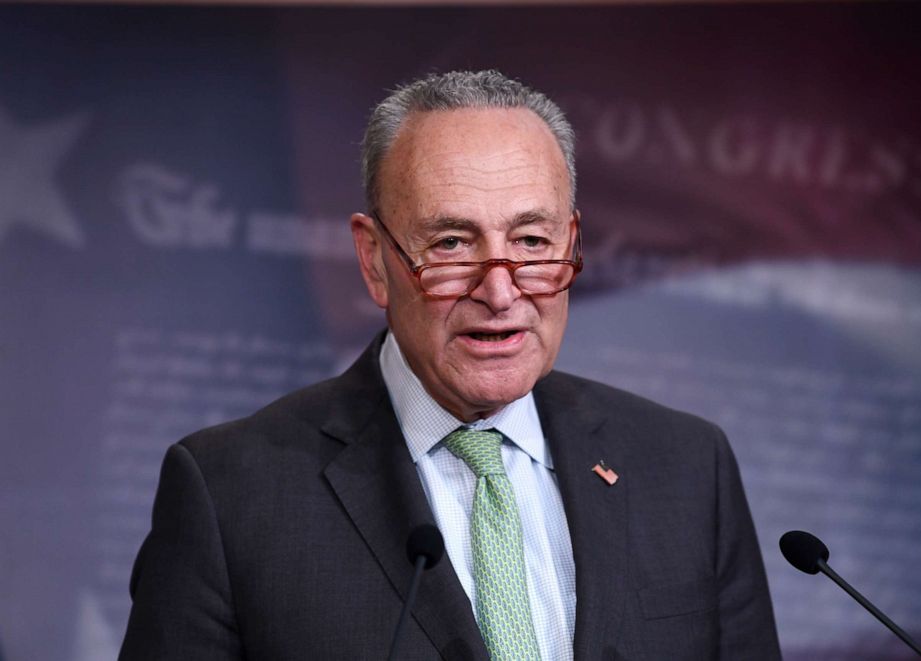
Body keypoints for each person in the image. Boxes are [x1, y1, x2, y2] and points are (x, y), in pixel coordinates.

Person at [120, 70, 780, 660]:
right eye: (452, 243)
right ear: (375, 259)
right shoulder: (232, 494)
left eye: (531, 240)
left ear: (571, 243)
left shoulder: (689, 468)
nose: (500, 290)